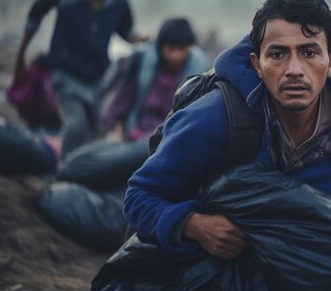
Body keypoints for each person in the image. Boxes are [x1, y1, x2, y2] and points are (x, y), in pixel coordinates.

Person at [123, 0, 331, 260]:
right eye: (277, 54)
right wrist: (194, 226)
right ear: (257, 64)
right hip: (232, 266)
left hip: (322, 263)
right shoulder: (215, 119)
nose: (294, 69)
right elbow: (139, 197)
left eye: (309, 53)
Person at [37, 18, 209, 251]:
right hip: (135, 135)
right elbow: (125, 97)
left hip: (169, 141)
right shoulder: (145, 63)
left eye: (182, 49)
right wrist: (116, 128)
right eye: (171, 48)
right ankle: (63, 177)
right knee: (104, 165)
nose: (176, 55)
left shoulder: (199, 75)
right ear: (161, 47)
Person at [13, 0, 147, 156]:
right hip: (66, 75)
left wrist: (146, 39)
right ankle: (64, 171)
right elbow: (36, 13)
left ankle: (85, 174)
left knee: (96, 131)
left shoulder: (117, 1)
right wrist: (21, 53)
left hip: (97, 79)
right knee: (76, 126)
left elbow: (127, 33)